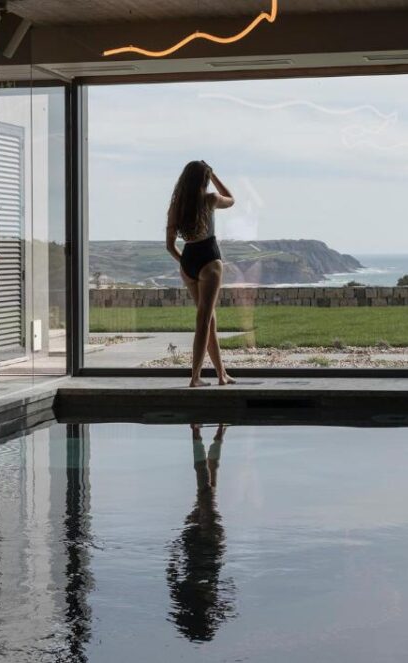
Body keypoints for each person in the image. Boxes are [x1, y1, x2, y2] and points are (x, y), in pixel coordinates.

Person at [165, 161, 236, 387]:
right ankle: (195, 377)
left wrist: (186, 262)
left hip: (188, 262)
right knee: (204, 320)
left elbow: (170, 246)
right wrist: (214, 175)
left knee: (209, 319)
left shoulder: (176, 207)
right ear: (204, 180)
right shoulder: (210, 199)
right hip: (209, 259)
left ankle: (221, 374)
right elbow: (231, 199)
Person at [166, 423, 234, 642]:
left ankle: (212, 435)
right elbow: (172, 574)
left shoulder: (199, 601)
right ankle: (202, 434)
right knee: (206, 490)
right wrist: (177, 547)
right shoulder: (188, 599)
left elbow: (227, 594)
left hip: (211, 545)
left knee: (208, 487)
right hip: (199, 543)